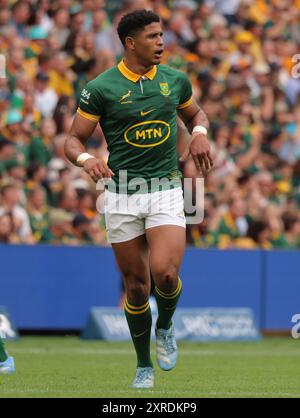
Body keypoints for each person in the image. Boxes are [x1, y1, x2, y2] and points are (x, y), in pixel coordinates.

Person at [64, 9, 213, 389]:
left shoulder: (175, 80)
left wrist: (198, 132)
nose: (161, 42)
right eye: (152, 36)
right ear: (130, 43)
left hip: (165, 189)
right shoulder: (101, 87)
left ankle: (165, 326)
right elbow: (71, 140)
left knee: (165, 274)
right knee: (135, 286)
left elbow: (198, 113)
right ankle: (143, 364)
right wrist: (87, 160)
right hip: (121, 193)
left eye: (162, 35)